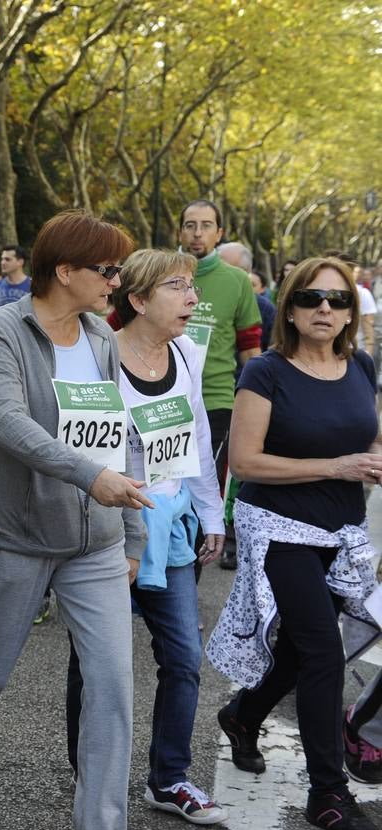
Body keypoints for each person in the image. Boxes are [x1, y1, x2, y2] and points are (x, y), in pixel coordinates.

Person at [0, 209, 158, 830]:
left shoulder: (99, 335)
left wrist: (132, 534)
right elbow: (5, 423)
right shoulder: (5, 330)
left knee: (114, 686)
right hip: (16, 538)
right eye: (107, 271)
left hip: (95, 543)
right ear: (65, 271)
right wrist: (91, 477)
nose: (116, 283)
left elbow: (120, 433)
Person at [206, 255, 382, 830]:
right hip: (280, 528)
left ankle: (244, 715)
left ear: (351, 311)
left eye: (337, 300)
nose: (325, 309)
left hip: (342, 529)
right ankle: (328, 795)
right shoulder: (266, 373)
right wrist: (335, 465)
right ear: (290, 306)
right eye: (311, 298)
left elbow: (367, 434)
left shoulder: (361, 365)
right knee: (323, 653)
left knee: (301, 653)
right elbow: (247, 462)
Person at [63, 250, 228, 827]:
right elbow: (80, 446)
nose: (192, 297)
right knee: (96, 660)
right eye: (177, 286)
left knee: (184, 658)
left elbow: (198, 438)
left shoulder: (184, 352)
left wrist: (212, 515)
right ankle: (90, 775)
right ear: (137, 300)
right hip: (109, 534)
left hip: (171, 533)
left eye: (191, 286)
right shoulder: (96, 358)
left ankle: (170, 778)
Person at [178, 201, 261, 569]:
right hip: (155, 396)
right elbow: (117, 325)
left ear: (219, 233)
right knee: (159, 492)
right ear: (179, 231)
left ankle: (184, 583)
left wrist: (263, 403)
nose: (197, 233)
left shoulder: (237, 280)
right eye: (190, 225)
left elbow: (250, 348)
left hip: (214, 402)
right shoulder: (156, 269)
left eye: (206, 225)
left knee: (202, 492)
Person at [0, 245, 31, 313]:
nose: (2, 262)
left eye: (7, 259)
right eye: (2, 259)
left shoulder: (33, 286)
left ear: (20, 262)